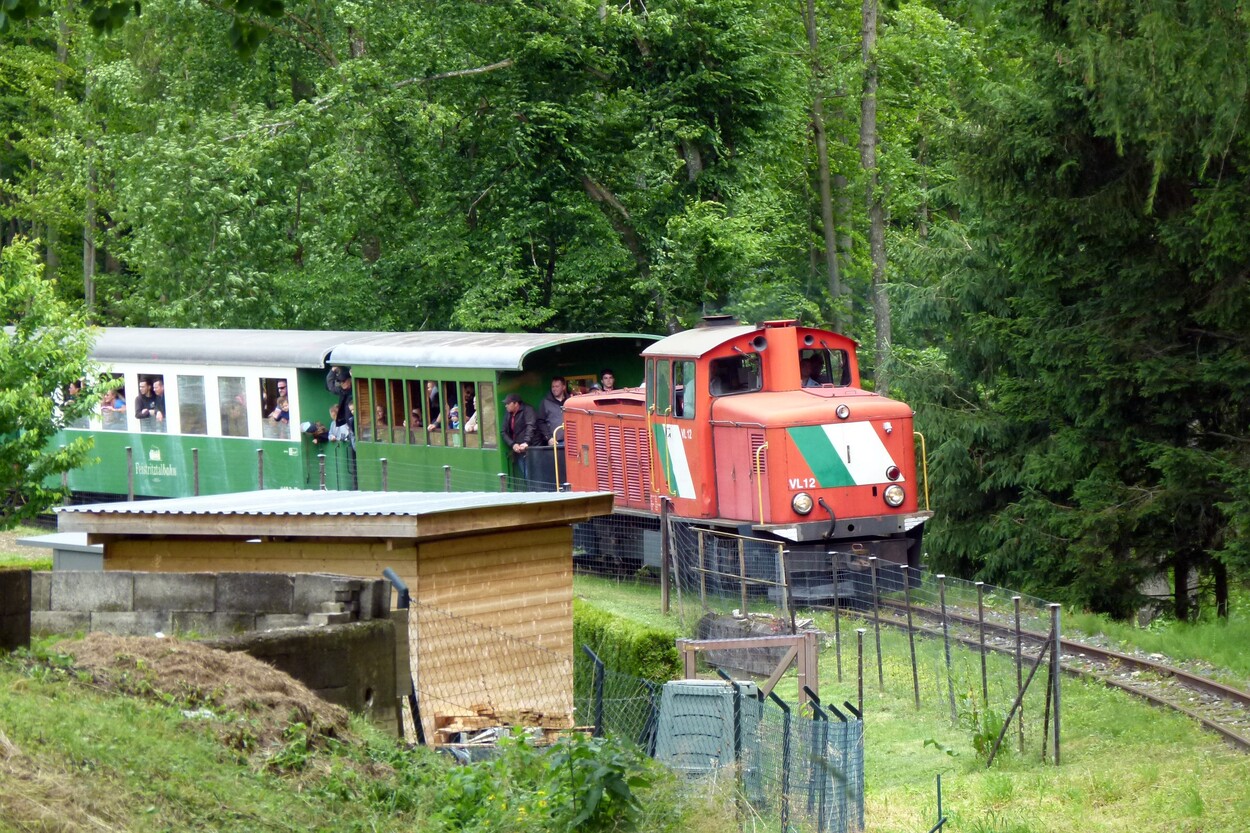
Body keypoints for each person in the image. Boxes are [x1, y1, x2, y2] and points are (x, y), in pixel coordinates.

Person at [502, 393, 538, 480]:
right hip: (519, 449)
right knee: (527, 475)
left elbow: (531, 426)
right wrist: (513, 444)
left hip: (531, 448)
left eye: (508, 403)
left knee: (532, 475)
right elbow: (503, 431)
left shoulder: (528, 410)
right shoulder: (508, 413)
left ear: (516, 404)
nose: (506, 406)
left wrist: (526, 442)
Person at [537, 376, 570, 445]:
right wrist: (548, 437)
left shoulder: (571, 401)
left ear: (564, 387)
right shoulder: (545, 402)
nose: (554, 389)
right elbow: (540, 421)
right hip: (555, 442)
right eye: (553, 387)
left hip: (571, 440)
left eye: (557, 386)